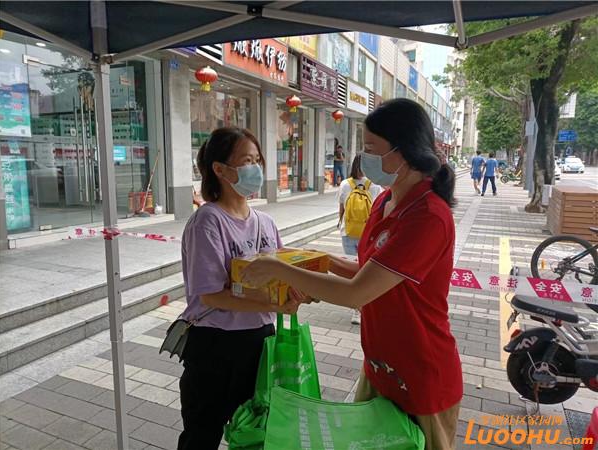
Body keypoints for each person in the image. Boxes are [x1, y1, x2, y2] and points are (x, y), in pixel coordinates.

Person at [242, 99, 463, 450]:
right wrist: (321, 261)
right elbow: (372, 273)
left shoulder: (428, 216)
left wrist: (278, 268)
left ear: (404, 151)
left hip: (420, 372)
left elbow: (356, 293)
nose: (364, 157)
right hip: (379, 365)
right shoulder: (385, 201)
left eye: (371, 148)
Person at [177, 127, 299, 450]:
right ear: (219, 169)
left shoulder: (265, 222)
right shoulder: (208, 221)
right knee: (202, 435)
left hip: (259, 342)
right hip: (215, 346)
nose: (255, 168)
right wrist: (274, 303)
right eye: (246, 161)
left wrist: (298, 289)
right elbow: (211, 294)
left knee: (254, 433)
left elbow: (282, 273)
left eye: (257, 160)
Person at [338, 154, 383, 324]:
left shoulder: (345, 184)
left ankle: (356, 309)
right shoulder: (375, 186)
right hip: (368, 234)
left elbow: (341, 207)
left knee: (352, 271)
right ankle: (363, 306)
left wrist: (340, 222)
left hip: (348, 231)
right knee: (365, 270)